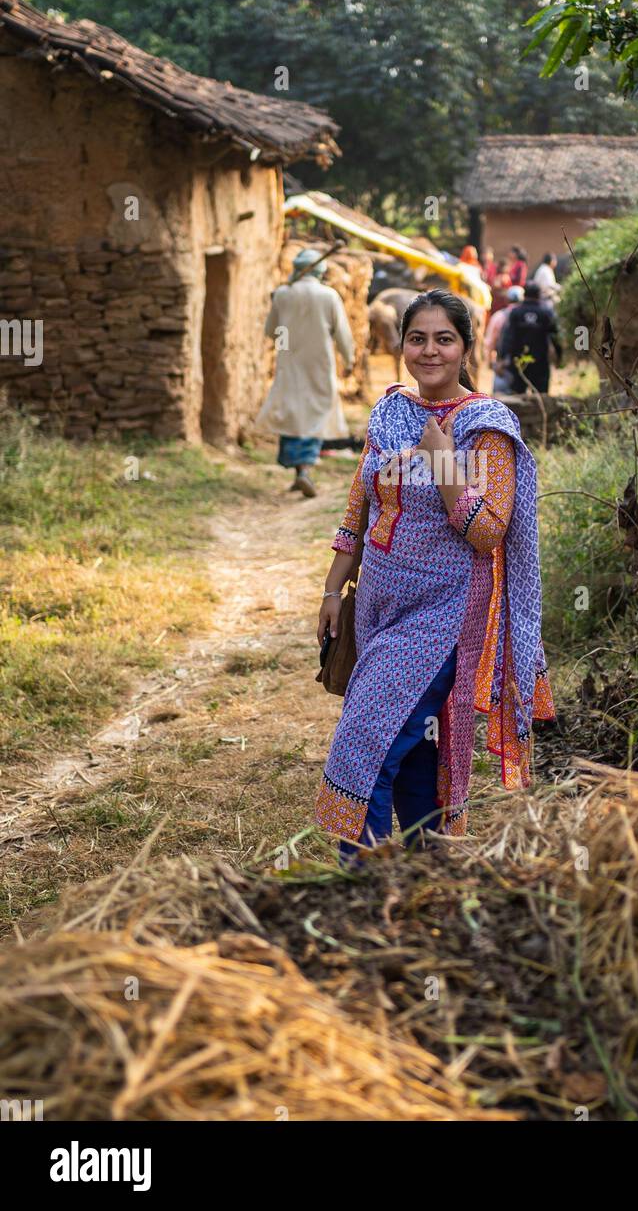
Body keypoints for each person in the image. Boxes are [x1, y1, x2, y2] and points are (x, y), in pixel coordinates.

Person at [315, 287, 556, 866]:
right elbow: (361, 502)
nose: (429, 352)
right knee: (416, 748)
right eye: (417, 339)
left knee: (364, 747)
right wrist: (333, 588)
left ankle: (363, 881)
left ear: (467, 347)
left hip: (442, 615)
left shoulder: (486, 428)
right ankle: (430, 869)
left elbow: (487, 531)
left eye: (443, 340)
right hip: (377, 607)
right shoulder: (391, 410)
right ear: (401, 345)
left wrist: (443, 458)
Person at [256, 247, 355, 498]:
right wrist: (349, 358)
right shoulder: (329, 296)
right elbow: (343, 333)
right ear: (321, 272)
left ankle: (299, 470)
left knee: (293, 413)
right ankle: (305, 470)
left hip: (289, 364)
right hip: (319, 365)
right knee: (314, 415)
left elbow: (271, 331)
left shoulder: (282, 294)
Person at [496, 280, 563, 395]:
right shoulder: (546, 313)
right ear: (539, 295)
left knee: (517, 395)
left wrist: (501, 358)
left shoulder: (516, 313)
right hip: (540, 363)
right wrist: (559, 356)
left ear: (525, 295)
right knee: (540, 396)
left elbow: (507, 337)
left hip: (518, 363)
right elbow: (555, 336)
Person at [485, 285, 523, 393]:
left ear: (507, 299)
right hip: (523, 364)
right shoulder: (525, 315)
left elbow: (490, 342)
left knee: (500, 397)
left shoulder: (499, 316)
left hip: (502, 363)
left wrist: (491, 361)